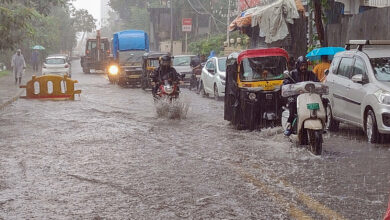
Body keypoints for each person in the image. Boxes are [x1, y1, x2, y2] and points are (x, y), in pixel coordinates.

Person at [283, 56, 319, 136]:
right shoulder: (292, 73)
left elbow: (317, 82)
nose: (303, 67)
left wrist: (320, 86)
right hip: (296, 97)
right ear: (298, 65)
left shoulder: (311, 74)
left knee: (322, 102)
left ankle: (322, 122)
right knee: (292, 104)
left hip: (309, 96)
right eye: (302, 65)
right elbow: (286, 82)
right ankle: (290, 125)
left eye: (305, 65)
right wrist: (288, 85)